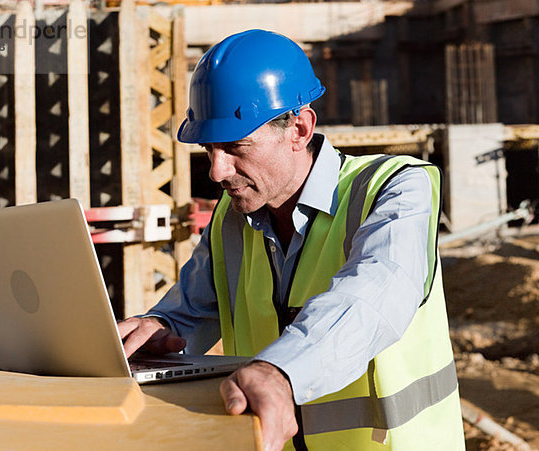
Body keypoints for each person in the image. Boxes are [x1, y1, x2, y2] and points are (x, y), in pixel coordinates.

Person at [118, 29, 465, 450]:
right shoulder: (232, 215)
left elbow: (371, 299)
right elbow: (191, 312)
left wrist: (280, 372)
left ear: (299, 129)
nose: (216, 171)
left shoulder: (395, 189)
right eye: (209, 149)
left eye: (235, 146)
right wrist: (159, 330)